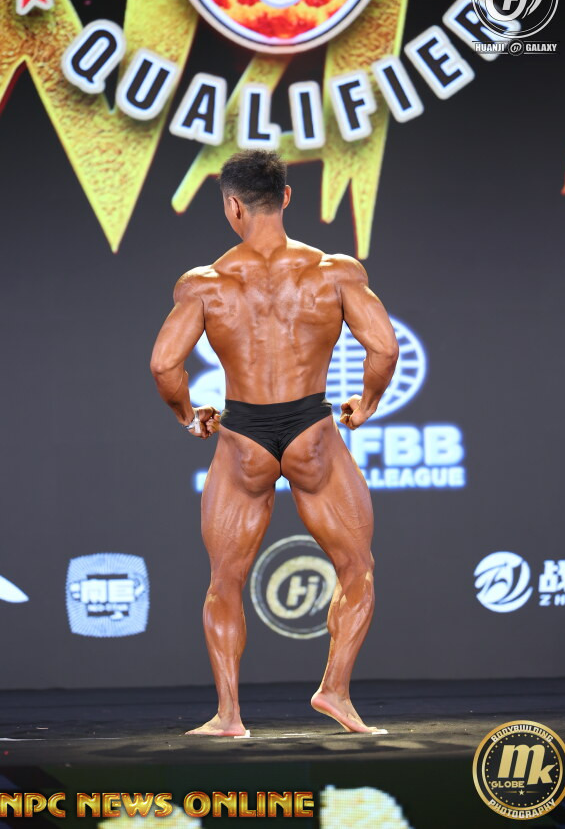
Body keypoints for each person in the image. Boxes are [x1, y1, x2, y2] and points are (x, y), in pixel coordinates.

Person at [150, 150, 399, 736]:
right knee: (357, 567)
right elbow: (385, 348)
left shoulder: (205, 284)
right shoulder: (335, 272)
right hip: (312, 432)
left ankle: (229, 716)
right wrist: (368, 403)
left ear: (232, 206)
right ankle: (335, 691)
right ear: (286, 197)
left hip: (244, 438)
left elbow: (163, 365)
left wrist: (188, 417)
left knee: (224, 582)